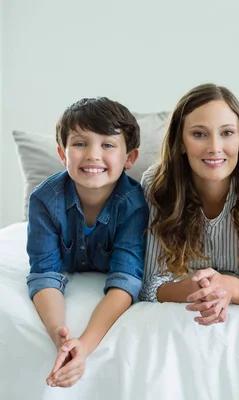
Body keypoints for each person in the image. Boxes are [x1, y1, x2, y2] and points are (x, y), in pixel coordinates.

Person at [139, 84, 239, 326]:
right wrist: (191, 290)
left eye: (227, 133)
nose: (215, 147)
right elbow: (149, 284)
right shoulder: (156, 185)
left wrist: (229, 288)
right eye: (199, 134)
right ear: (181, 143)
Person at [26, 97, 149, 387]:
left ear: (129, 158)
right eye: (80, 144)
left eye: (107, 145)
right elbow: (44, 274)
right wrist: (61, 336)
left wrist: (85, 343)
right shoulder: (44, 200)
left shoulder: (135, 204)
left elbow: (127, 280)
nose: (93, 155)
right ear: (62, 153)